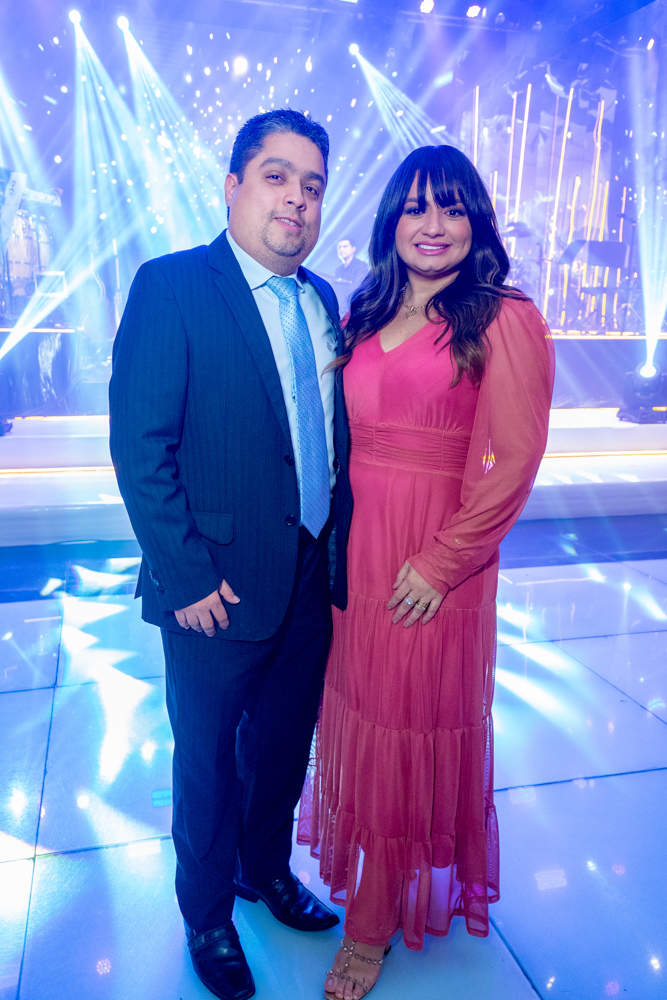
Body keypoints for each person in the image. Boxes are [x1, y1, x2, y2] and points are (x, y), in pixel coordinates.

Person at [296, 144, 554, 999]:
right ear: (391, 221)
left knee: (407, 728)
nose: (432, 225)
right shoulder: (366, 308)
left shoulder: (502, 316)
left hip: (431, 564)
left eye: (450, 207)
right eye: (414, 207)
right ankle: (371, 889)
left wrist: (442, 563)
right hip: (356, 557)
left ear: (476, 220)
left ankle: (370, 927)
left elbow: (514, 462)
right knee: (365, 720)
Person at [109, 109, 353, 1000]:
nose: (296, 200)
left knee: (282, 746)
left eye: (311, 185)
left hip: (307, 573)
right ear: (233, 186)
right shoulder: (172, 286)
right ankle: (207, 915)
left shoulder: (321, 299)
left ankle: (265, 870)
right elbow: (140, 446)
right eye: (277, 177)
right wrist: (185, 577)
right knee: (208, 761)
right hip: (211, 584)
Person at [334, 237, 368, 312]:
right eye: (339, 247)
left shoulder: (361, 265)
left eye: (345, 246)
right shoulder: (338, 270)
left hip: (355, 306)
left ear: (353, 249)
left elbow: (358, 287)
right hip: (340, 307)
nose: (341, 249)